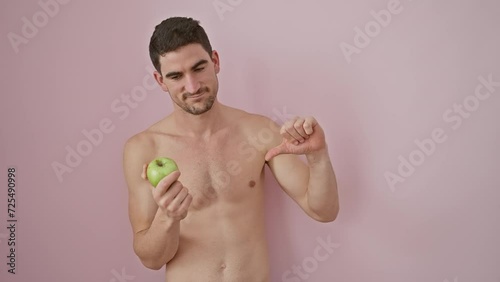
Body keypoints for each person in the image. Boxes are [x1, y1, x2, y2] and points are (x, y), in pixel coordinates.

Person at [122, 16, 339, 282]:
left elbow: (323, 211)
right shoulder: (144, 148)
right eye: (176, 76)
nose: (192, 86)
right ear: (160, 80)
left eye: (199, 68)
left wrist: (317, 156)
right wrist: (168, 217)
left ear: (215, 61)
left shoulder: (259, 131)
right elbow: (151, 259)